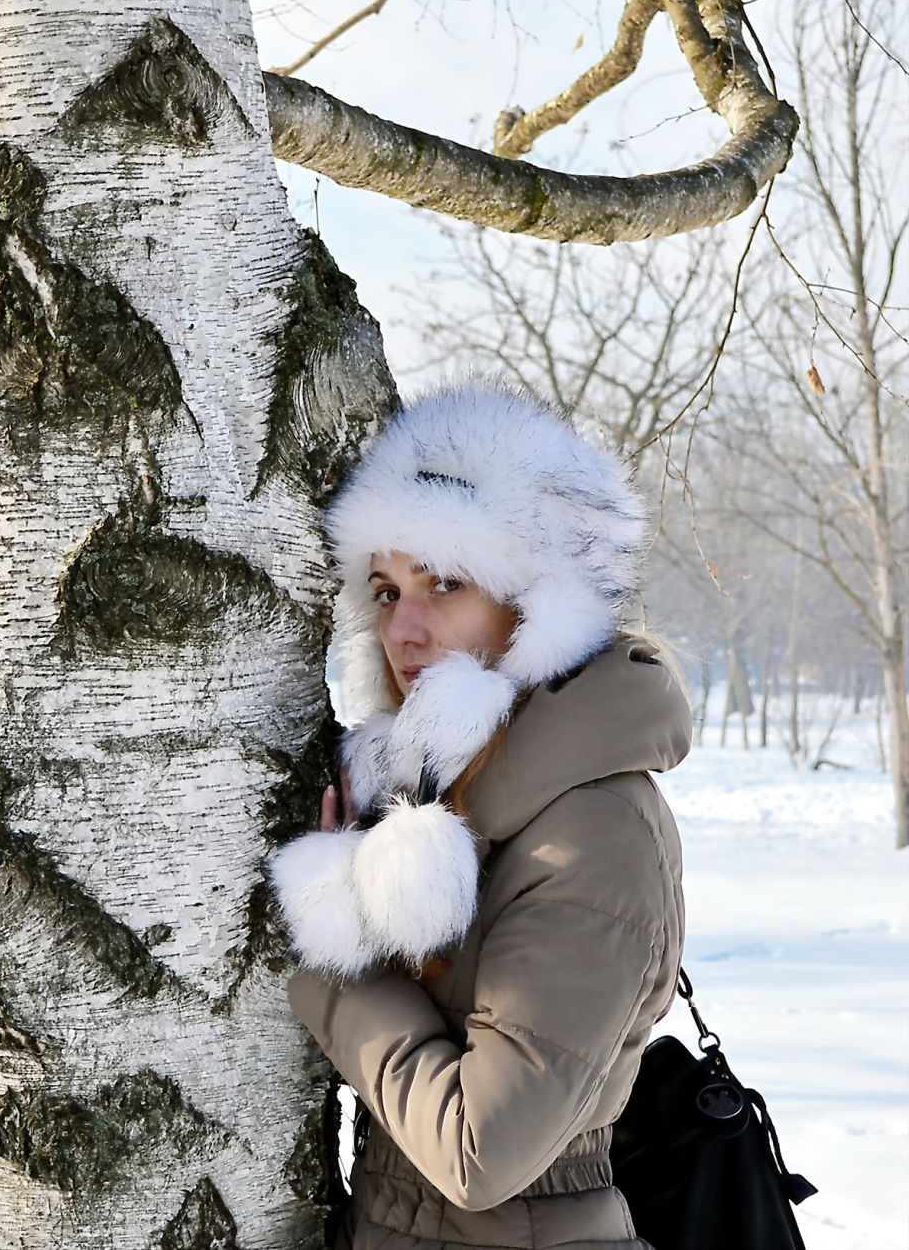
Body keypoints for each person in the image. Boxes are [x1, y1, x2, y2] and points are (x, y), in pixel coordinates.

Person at [268, 381, 691, 1250]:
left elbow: (479, 1151)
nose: (404, 629)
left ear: (541, 604)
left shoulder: (592, 830)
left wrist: (329, 954)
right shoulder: (441, 794)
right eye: (385, 589)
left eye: (446, 582)